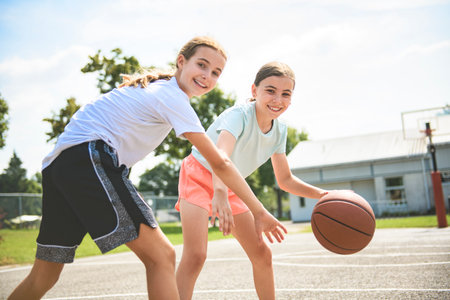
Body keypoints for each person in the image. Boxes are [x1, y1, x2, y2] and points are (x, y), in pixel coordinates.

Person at [8, 37, 287, 300]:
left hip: (59, 165)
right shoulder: (172, 96)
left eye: (216, 72)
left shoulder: (157, 89)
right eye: (202, 65)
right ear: (181, 62)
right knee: (162, 256)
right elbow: (220, 162)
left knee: (44, 274)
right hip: (89, 157)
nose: (207, 76)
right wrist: (259, 212)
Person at [175, 61, 328, 300]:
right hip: (199, 173)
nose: (278, 99)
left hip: (231, 182)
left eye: (285, 94)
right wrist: (221, 193)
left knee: (262, 254)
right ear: (254, 90)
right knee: (196, 255)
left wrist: (325, 195)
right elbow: (220, 158)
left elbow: (285, 179)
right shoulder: (239, 115)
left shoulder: (280, 131)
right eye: (270, 90)